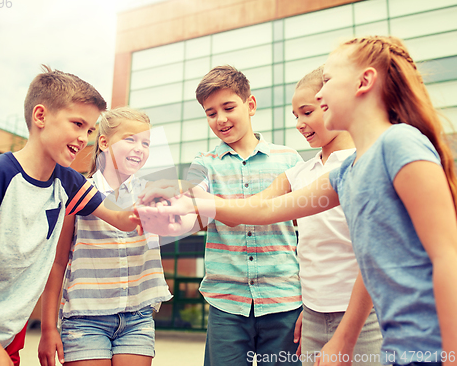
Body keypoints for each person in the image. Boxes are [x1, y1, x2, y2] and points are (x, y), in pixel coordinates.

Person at [138, 36, 457, 366]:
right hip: (396, 346)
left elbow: (448, 257)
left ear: (364, 82)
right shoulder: (344, 172)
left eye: (328, 80)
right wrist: (183, 191)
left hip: (429, 347)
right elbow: (259, 209)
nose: (319, 93)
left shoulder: (399, 144)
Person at [0, 66, 139, 366]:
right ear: (40, 116)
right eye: (77, 124)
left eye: (90, 130)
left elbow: (120, 218)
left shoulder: (67, 181)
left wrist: (158, 206)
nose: (84, 138)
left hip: (9, 334)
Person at [163, 65, 304, 366]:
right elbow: (192, 210)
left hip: (284, 301)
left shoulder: (289, 159)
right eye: (211, 113)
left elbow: (305, 234)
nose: (221, 119)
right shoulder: (204, 163)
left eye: (228, 107)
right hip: (226, 302)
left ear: (250, 105)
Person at [37, 107, 172, 366]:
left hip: (137, 319)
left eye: (146, 143)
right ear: (104, 141)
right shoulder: (77, 193)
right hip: (85, 321)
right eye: (130, 139)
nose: (139, 148)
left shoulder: (153, 194)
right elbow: (57, 263)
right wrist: (47, 328)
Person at [287, 66, 382, 366]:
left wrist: (343, 334)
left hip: (367, 317)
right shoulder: (299, 173)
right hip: (314, 317)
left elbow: (374, 256)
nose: (300, 124)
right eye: (296, 117)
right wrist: (312, 308)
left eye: (307, 112)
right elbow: (256, 207)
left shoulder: (366, 162)